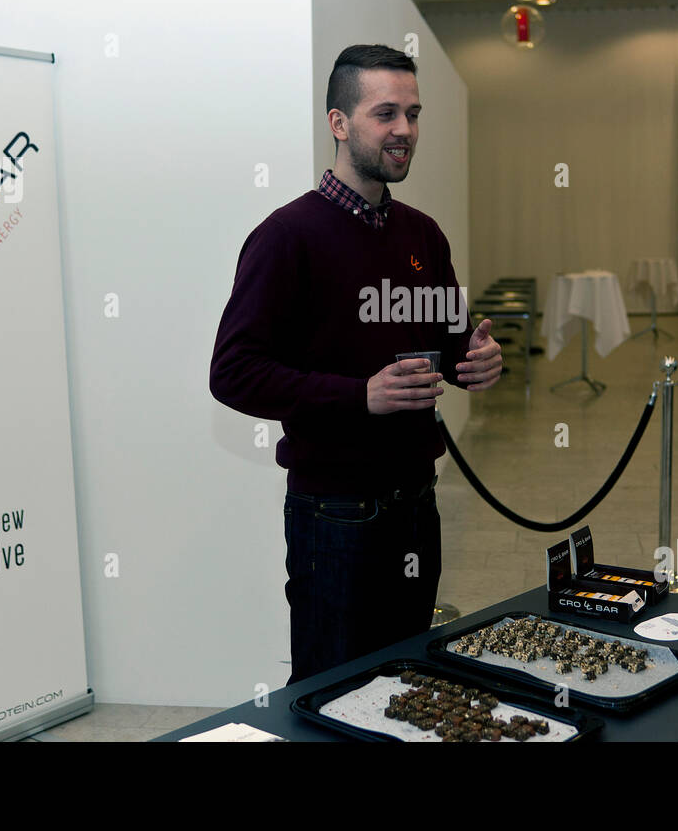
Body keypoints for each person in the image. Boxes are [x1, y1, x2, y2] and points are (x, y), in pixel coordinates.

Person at [210, 44, 503, 684]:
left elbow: (450, 344)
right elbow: (232, 371)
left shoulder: (423, 235)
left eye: (414, 114)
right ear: (339, 123)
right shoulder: (287, 237)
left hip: (417, 504)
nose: (404, 130)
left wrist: (475, 361)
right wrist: (357, 396)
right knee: (331, 691)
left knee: (405, 683)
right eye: (386, 114)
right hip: (334, 515)